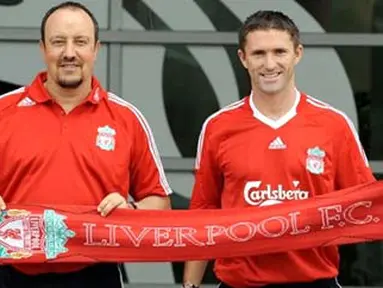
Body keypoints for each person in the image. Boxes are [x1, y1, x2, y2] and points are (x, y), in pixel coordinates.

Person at [182, 10, 376, 288]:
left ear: (297, 54)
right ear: (243, 58)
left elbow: (366, 208)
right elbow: (203, 214)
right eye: (259, 53)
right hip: (241, 282)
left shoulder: (334, 125)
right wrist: (191, 285)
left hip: (314, 280)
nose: (269, 63)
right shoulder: (218, 127)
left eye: (279, 52)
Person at [0, 1, 172, 287]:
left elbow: (159, 202)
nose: (69, 53)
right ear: (43, 49)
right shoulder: (3, 111)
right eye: (58, 42)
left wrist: (131, 211)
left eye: (80, 42)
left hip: (97, 274)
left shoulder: (126, 118)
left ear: (96, 49)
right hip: (11, 275)